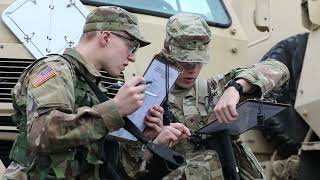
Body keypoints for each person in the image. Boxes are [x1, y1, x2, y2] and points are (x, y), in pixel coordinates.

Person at [2, 6, 190, 179]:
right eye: (131, 46)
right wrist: (115, 109)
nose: (132, 57)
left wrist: (149, 138)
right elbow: (42, 135)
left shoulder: (94, 88)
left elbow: (109, 167)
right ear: (106, 37)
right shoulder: (55, 70)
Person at [119, 13, 290, 180]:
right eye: (185, 62)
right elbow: (127, 170)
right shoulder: (141, 99)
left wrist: (236, 88)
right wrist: (155, 143)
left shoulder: (215, 89)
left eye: (198, 62)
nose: (192, 69)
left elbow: (278, 68)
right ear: (168, 52)